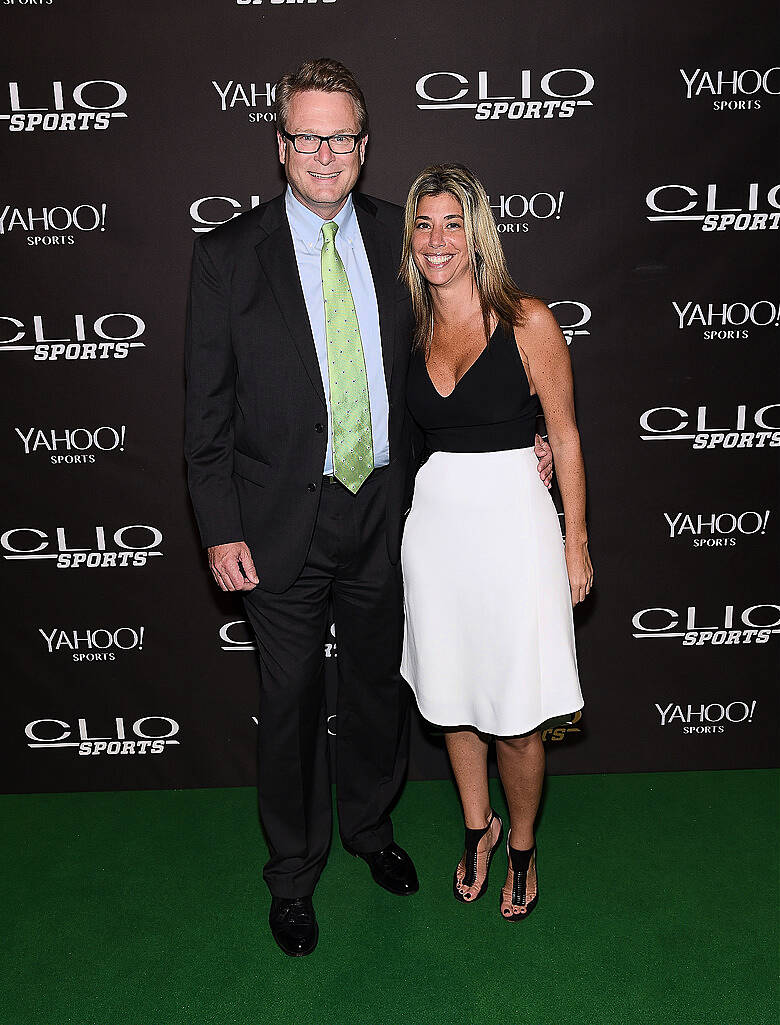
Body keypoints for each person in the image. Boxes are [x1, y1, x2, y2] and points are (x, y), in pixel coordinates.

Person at [185, 60, 552, 956]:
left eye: (340, 137)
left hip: (393, 513)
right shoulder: (227, 256)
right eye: (306, 136)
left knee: (381, 690)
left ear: (362, 146)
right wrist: (220, 522)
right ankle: (293, 872)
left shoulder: (405, 242)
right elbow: (205, 410)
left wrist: (526, 434)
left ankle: (372, 832)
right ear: (280, 148)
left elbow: (479, 345)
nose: (324, 153)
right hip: (275, 520)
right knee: (291, 697)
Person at [399, 164, 591, 921]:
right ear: (410, 237)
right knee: (452, 702)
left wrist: (576, 541)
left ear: (477, 234)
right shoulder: (407, 326)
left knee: (515, 714)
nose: (437, 239)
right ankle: (477, 830)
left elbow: (567, 436)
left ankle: (522, 847)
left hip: (515, 528)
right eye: (423, 224)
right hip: (435, 533)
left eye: (452, 224)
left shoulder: (528, 320)